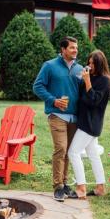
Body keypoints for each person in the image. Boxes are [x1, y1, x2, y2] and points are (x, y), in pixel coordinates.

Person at [33, 36, 83, 202]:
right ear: (63, 50)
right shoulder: (50, 66)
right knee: (60, 148)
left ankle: (65, 182)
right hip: (57, 115)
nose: (75, 50)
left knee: (69, 151)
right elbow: (37, 86)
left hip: (74, 117)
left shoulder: (79, 69)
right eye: (71, 48)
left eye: (76, 48)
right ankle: (58, 187)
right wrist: (53, 100)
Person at [68, 50, 110, 199]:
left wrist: (87, 81)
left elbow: (93, 100)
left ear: (100, 64)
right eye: (89, 62)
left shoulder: (105, 81)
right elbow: (82, 96)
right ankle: (100, 188)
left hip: (90, 124)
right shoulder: (90, 77)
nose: (90, 65)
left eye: (93, 63)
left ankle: (81, 188)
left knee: (73, 152)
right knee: (93, 155)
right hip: (85, 121)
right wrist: (82, 79)